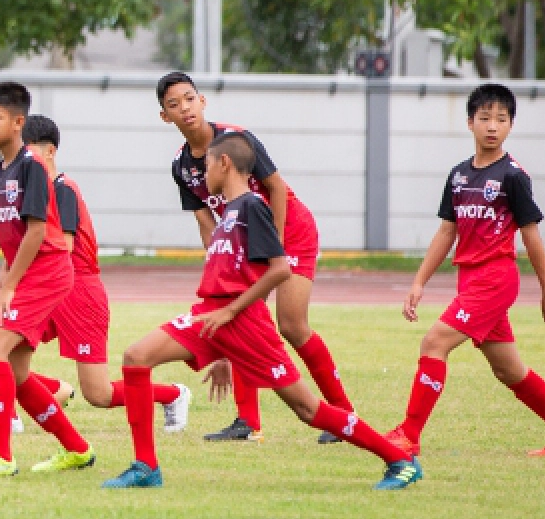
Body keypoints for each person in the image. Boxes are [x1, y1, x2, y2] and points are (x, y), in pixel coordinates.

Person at [103, 132, 422, 491]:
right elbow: (230, 272)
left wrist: (232, 313)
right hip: (210, 315)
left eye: (207, 165)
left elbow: (279, 269)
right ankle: (146, 466)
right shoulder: (229, 212)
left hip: (242, 321)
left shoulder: (252, 206)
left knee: (308, 409)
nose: (203, 175)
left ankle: (399, 460)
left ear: (224, 164)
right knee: (136, 356)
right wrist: (221, 349)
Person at [388, 83, 545, 459]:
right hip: (470, 280)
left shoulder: (513, 177)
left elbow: (531, 236)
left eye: (501, 119)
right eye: (485, 118)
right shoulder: (459, 175)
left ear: (511, 125)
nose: (493, 126)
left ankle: (408, 436)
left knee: (434, 343)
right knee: (508, 370)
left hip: (495, 280)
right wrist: (418, 282)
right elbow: (447, 230)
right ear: (470, 123)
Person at [157, 71, 354, 444]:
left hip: (288, 231)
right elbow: (206, 222)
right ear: (165, 117)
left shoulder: (235, 139)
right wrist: (222, 266)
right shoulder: (181, 166)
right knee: (239, 319)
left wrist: (272, 246)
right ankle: (248, 423)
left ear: (202, 101)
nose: (184, 108)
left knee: (292, 326)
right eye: (173, 104)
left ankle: (343, 414)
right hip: (243, 245)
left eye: (189, 98)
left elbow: (276, 187)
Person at [0, 83, 96, 479]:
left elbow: (36, 233)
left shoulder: (31, 164)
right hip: (26, 272)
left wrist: (12, 287)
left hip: (48, 270)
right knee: (16, 375)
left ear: (18, 123)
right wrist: (1, 289)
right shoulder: (1, 168)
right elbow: (11, 240)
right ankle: (77, 449)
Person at [24, 115, 191, 434]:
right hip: (49, 287)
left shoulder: (63, 191)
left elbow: (63, 247)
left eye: (27, 152)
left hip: (78, 292)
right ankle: (17, 412)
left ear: (50, 152)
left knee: (98, 394)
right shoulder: (35, 194)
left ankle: (172, 394)